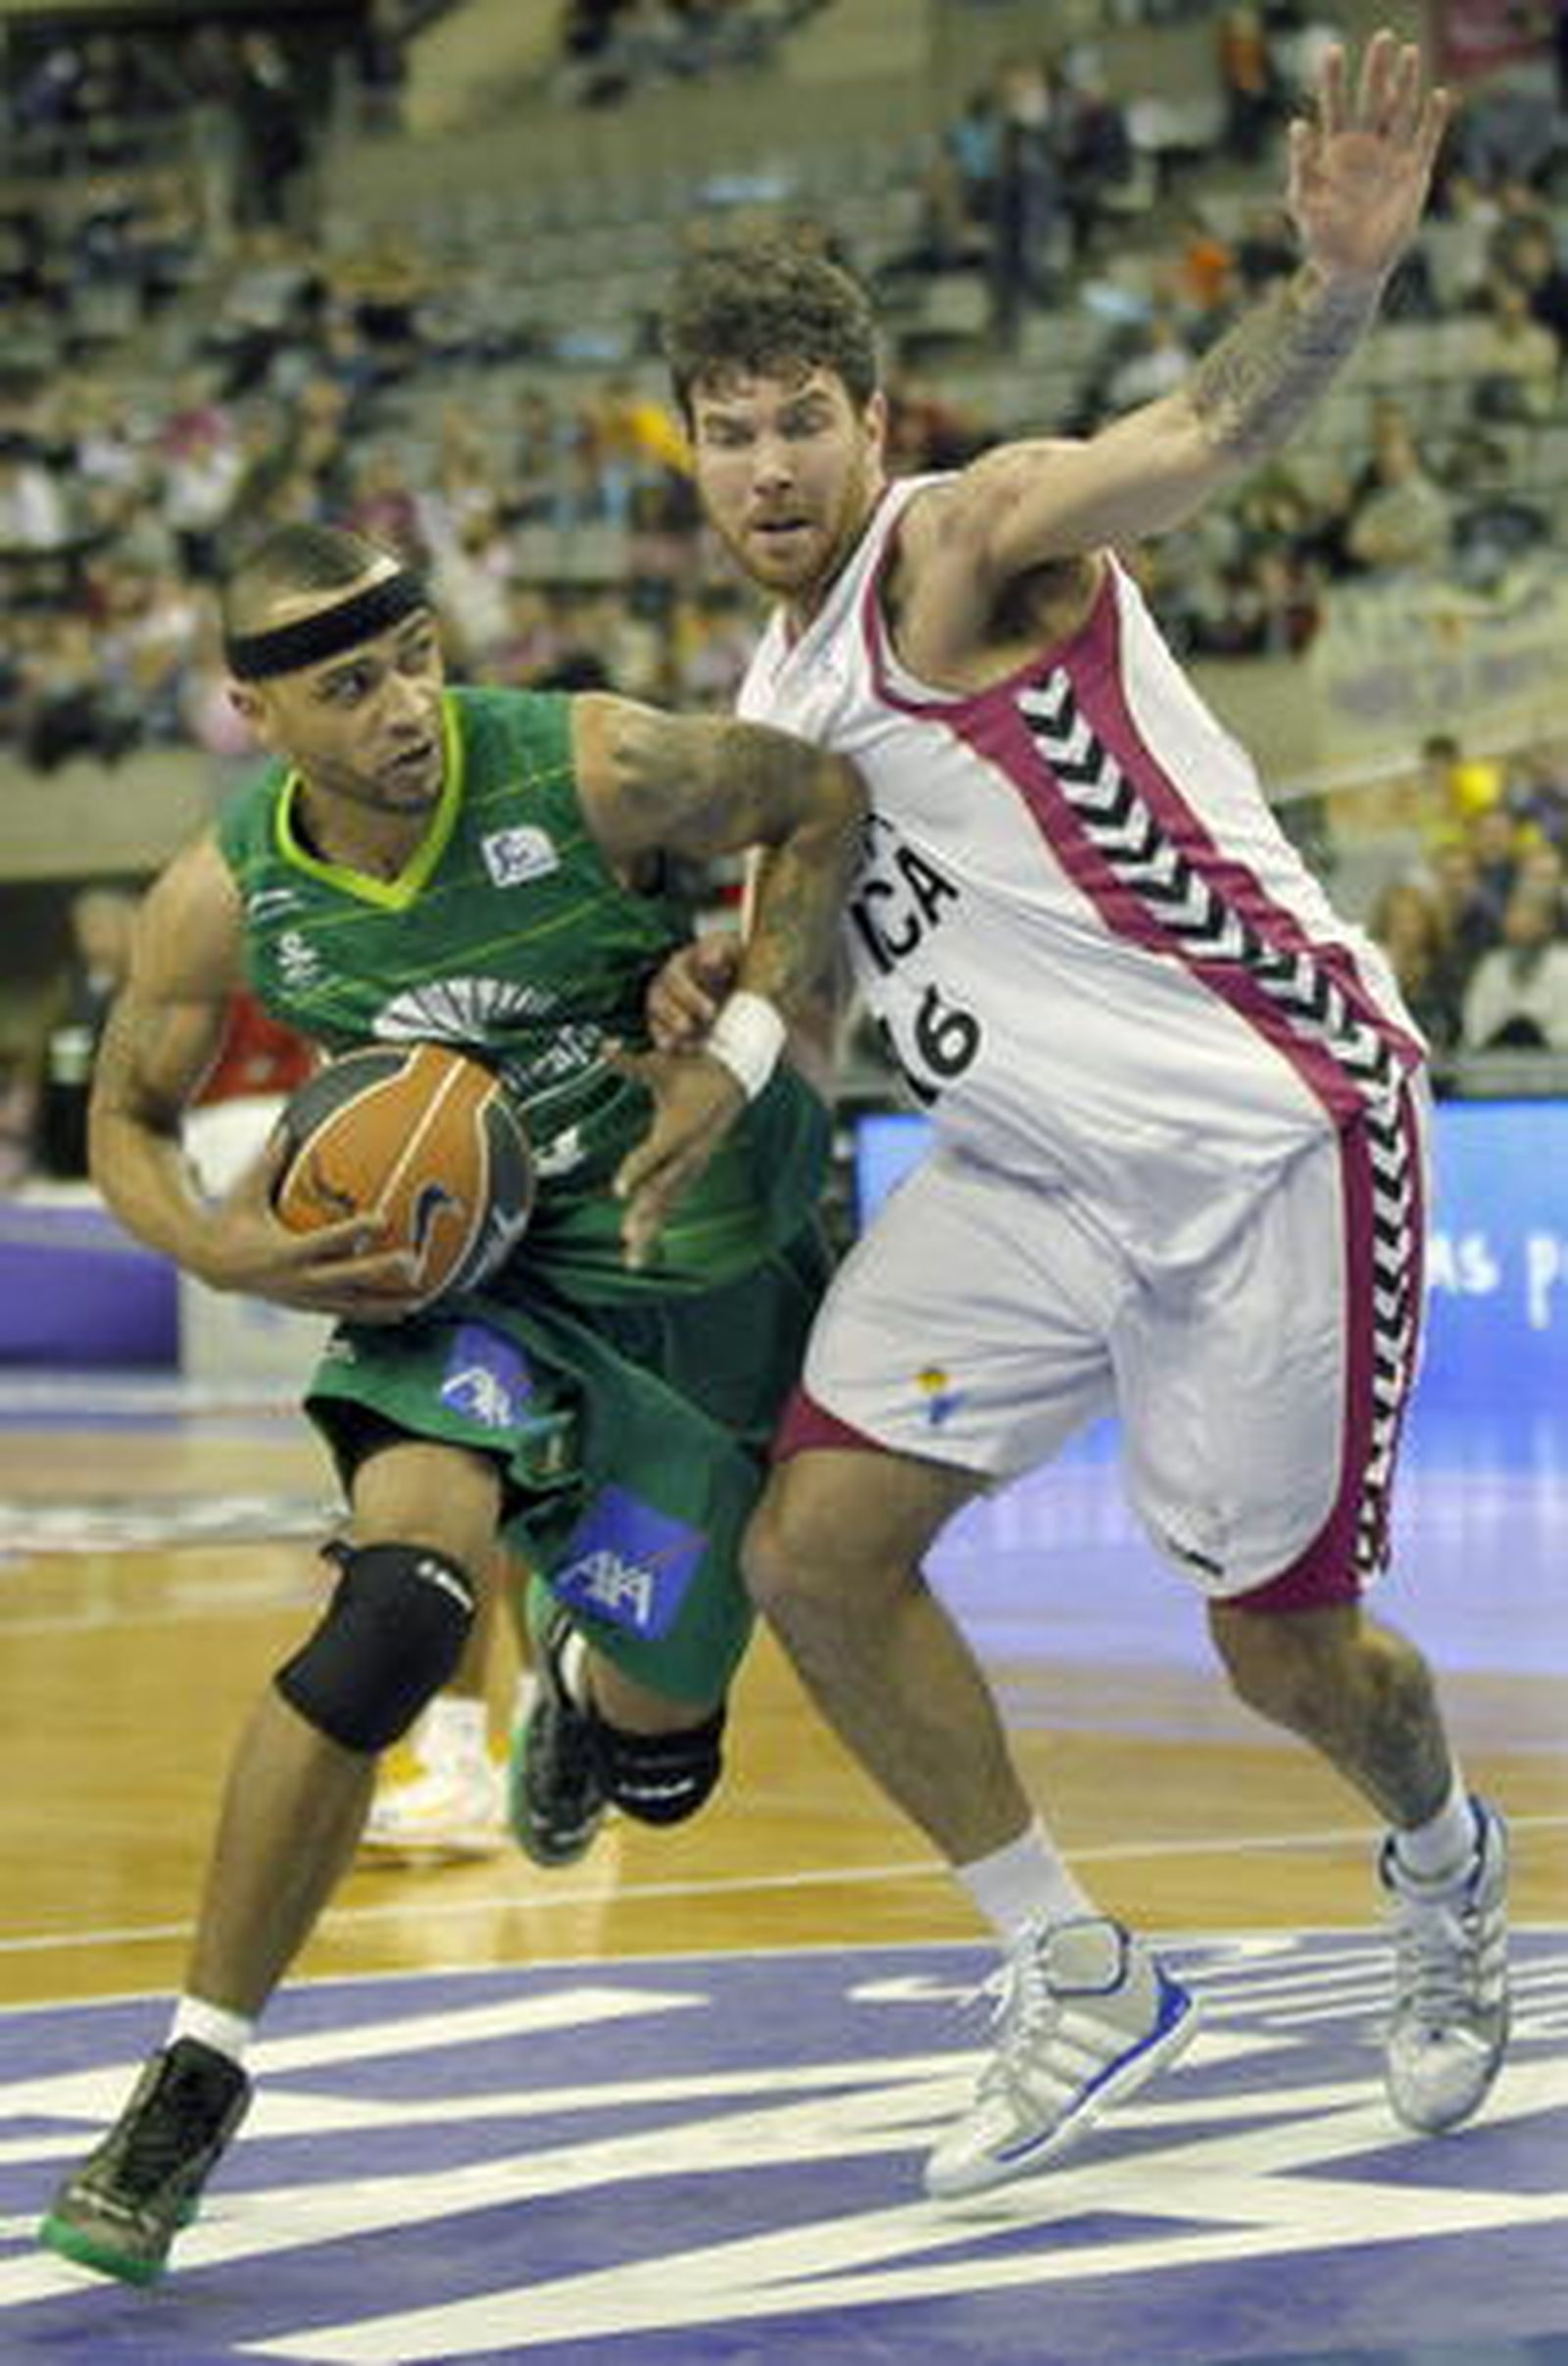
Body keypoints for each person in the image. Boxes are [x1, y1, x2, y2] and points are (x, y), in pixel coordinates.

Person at [654, 30, 1510, 2203]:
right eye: (725, 434)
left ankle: (1440, 1851)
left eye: (801, 424)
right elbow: (837, 960)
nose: (765, 467)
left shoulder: (950, 552)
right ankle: (1075, 1965)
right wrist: (729, 1026)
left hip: (1269, 1136)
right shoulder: (772, 695)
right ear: (688, 455)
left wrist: (1326, 291)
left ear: (871, 426)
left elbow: (1163, 453)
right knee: (811, 1558)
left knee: (1276, 1650)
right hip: (1030, 1175)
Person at [37, 520, 861, 2282]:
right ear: (257, 713)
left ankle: (586, 1684)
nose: (403, 705)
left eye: (413, 657)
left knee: (663, 1759)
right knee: (389, 1619)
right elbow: (122, 1111)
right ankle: (194, 2068)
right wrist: (225, 1252)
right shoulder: (225, 886)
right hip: (455, 1279)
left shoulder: (592, 759)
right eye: (348, 686)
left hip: (679, 1259)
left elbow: (824, 795)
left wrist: (736, 1038)